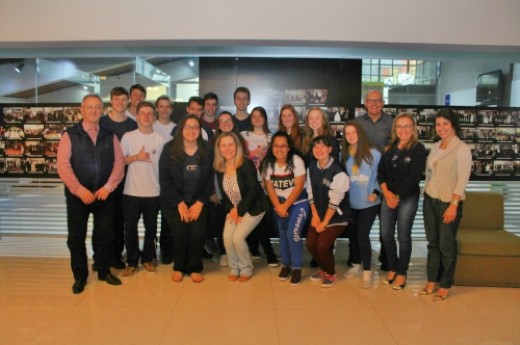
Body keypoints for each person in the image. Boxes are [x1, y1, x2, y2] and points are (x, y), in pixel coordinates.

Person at [57, 94, 125, 294]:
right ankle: (80, 277)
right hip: (78, 196)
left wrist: (108, 187)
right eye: (89, 107)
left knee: (106, 235)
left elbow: (119, 165)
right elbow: (63, 166)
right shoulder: (70, 135)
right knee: (76, 238)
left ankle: (104, 271)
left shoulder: (109, 135)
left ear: (102, 110)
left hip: (104, 195)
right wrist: (79, 190)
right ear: (82, 109)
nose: (94, 111)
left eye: (97, 107)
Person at [422, 109, 471, 301]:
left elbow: (462, 180)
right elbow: (431, 173)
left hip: (448, 203)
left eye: (445, 124)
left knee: (446, 245)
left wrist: (454, 205)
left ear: (453, 125)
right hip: (430, 200)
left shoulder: (462, 148)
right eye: (438, 124)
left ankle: (445, 284)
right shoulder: (435, 146)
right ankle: (431, 281)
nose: (441, 128)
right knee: (433, 243)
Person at [159, 115, 214, 283]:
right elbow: (165, 179)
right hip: (174, 201)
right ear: (181, 129)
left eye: (195, 127)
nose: (192, 131)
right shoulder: (169, 148)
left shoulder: (207, 148)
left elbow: (210, 178)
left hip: (198, 199)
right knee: (180, 233)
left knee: (197, 234)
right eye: (188, 127)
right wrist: (179, 203)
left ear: (200, 131)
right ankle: (179, 267)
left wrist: (200, 202)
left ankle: (194, 267)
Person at [378, 113, 427, 290]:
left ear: (413, 128)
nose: (403, 130)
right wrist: (387, 194)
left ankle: (401, 273)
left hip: (407, 197)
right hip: (388, 196)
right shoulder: (389, 148)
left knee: (403, 236)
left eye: (407, 126)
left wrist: (396, 197)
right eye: (399, 126)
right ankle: (392, 267)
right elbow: (381, 173)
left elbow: (414, 178)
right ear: (394, 129)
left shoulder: (418, 149)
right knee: (386, 235)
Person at [214, 132, 270, 282]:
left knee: (237, 238)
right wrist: (232, 210)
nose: (228, 149)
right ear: (219, 148)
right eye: (223, 145)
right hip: (235, 209)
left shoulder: (246, 164)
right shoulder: (220, 167)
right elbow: (225, 195)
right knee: (227, 237)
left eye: (231, 145)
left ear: (237, 146)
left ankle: (246, 267)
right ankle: (234, 266)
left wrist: (238, 210)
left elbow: (253, 191)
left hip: (254, 207)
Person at [119, 101, 165, 279]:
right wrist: (136, 157)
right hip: (131, 192)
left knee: (151, 229)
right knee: (129, 228)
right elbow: (120, 161)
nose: (146, 117)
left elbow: (163, 168)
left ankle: (147, 259)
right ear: (136, 116)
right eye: (142, 113)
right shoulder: (128, 137)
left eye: (149, 114)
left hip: (153, 192)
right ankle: (131, 262)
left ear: (154, 117)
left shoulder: (160, 139)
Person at [261, 131, 309, 285]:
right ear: (272, 147)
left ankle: (296, 267)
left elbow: (299, 186)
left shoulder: (296, 161)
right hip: (279, 204)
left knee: (292, 233)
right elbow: (270, 188)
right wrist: (279, 207)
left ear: (289, 148)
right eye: (276, 146)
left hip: (298, 202)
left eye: (283, 146)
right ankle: (286, 265)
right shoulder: (268, 163)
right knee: (282, 234)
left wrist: (285, 206)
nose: (279, 149)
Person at [98, 86, 137, 271]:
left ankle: (115, 256)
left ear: (128, 101)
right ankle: (100, 258)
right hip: (104, 179)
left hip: (125, 180)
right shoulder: (101, 122)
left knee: (119, 219)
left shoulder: (132, 124)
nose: (120, 103)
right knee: (102, 220)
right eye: (117, 99)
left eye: (123, 99)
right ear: (111, 101)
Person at [355, 89, 393, 271]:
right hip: (362, 181)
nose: (374, 104)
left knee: (385, 224)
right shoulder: (357, 123)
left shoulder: (392, 123)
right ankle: (356, 259)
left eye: (377, 101)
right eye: (370, 101)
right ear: (365, 103)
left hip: (385, 178)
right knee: (359, 224)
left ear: (383, 103)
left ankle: (386, 260)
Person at [341, 121, 381, 288]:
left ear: (360, 133)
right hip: (351, 203)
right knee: (353, 235)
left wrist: (375, 192)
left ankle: (367, 271)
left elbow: (380, 177)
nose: (350, 136)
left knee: (362, 235)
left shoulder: (374, 154)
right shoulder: (343, 155)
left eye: (354, 132)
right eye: (347, 133)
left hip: (369, 203)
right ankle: (356, 264)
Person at [306, 136, 350, 288]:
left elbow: (335, 201)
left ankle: (330, 273)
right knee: (311, 244)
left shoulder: (339, 171)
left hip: (337, 216)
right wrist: (315, 216)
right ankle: (324, 268)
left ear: (330, 149)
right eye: (315, 147)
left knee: (322, 245)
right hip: (318, 213)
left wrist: (325, 222)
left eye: (323, 146)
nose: (319, 150)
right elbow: (310, 191)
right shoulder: (311, 167)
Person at [240, 106, 278, 266]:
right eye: (253, 116)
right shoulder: (243, 136)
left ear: (265, 118)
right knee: (252, 216)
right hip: (248, 185)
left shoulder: (271, 137)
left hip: (265, 184)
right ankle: (261, 250)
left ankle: (262, 250)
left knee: (263, 219)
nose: (256, 119)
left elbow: (275, 161)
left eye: (260, 116)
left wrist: (266, 180)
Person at [153, 95, 176, 264]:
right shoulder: (150, 126)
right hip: (151, 179)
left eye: (167, 106)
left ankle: (168, 250)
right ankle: (151, 250)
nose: (164, 109)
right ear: (156, 108)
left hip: (171, 180)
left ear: (172, 109)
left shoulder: (178, 129)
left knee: (169, 218)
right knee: (152, 218)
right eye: (161, 106)